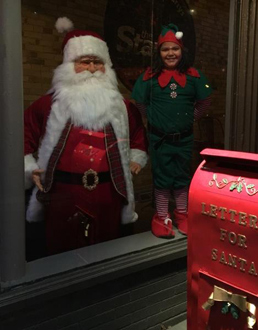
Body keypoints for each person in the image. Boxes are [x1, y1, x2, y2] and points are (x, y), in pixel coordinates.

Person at [24, 17, 148, 255]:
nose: (92, 68)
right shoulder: (48, 104)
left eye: (97, 62)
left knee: (107, 246)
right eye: (84, 62)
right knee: (62, 248)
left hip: (108, 193)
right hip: (62, 193)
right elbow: (22, 133)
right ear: (69, 66)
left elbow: (137, 133)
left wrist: (136, 156)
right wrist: (29, 167)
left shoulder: (121, 106)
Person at [131, 24, 212, 238]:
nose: (170, 53)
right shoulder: (150, 76)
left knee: (182, 177)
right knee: (162, 179)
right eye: (165, 49)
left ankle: (182, 214)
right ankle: (161, 215)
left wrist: (188, 120)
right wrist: (153, 118)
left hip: (184, 140)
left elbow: (204, 103)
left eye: (174, 49)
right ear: (158, 52)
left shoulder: (194, 76)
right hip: (160, 139)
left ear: (181, 51)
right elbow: (139, 101)